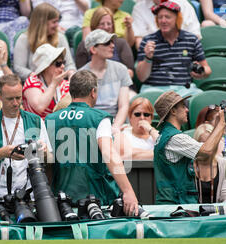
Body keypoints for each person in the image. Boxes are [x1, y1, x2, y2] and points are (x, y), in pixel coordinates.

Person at [45, 70, 139, 214]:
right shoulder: (99, 118)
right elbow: (109, 154)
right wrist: (128, 191)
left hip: (62, 201)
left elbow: (47, 164)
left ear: (71, 92)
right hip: (96, 198)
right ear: (93, 92)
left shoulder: (50, 119)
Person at [0, 74, 52, 198]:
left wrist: (45, 152)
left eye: (18, 98)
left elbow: (50, 159)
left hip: (29, 192)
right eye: (10, 99)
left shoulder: (36, 121)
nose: (15, 103)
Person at [152, 90, 226, 205]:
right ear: (173, 111)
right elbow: (206, 151)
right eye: (183, 106)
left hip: (173, 206)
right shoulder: (175, 138)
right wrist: (222, 122)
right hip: (176, 208)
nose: (187, 110)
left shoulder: (166, 134)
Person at [136, 1, 211, 96]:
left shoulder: (191, 39)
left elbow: (208, 69)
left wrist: (201, 72)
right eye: (160, 17)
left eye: (167, 17)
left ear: (177, 19)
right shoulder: (148, 41)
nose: (163, 21)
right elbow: (141, 77)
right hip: (154, 89)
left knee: (200, 98)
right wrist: (148, 57)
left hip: (184, 90)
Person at [80, 29, 133, 132]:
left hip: (116, 123)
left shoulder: (121, 69)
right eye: (107, 43)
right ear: (93, 49)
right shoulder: (81, 75)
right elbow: (84, 110)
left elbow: (123, 105)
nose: (112, 45)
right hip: (90, 125)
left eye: (112, 42)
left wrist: (115, 127)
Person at [13, 2, 76, 82]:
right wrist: (38, 77)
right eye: (54, 22)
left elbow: (69, 64)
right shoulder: (24, 39)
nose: (57, 25)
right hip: (34, 84)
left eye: (58, 21)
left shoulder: (60, 37)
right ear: (42, 23)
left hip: (59, 83)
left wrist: (71, 73)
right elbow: (18, 68)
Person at [75, 6, 134, 79]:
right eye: (102, 24)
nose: (106, 27)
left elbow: (130, 72)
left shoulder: (121, 43)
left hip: (120, 84)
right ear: (94, 25)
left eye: (109, 24)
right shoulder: (84, 45)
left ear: (113, 25)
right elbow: (80, 75)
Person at [23, 44, 70, 119]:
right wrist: (54, 84)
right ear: (46, 67)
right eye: (58, 64)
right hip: (36, 127)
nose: (63, 66)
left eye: (63, 62)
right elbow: (39, 107)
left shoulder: (64, 84)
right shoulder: (32, 82)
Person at [132, 0, 201, 50]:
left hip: (184, 53)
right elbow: (139, 43)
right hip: (155, 57)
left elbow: (195, 36)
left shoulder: (183, 4)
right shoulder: (139, 8)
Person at [193, 123, 226, 203]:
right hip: (192, 213)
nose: (208, 147)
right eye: (203, 143)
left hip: (217, 213)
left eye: (211, 142)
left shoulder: (224, 164)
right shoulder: (188, 164)